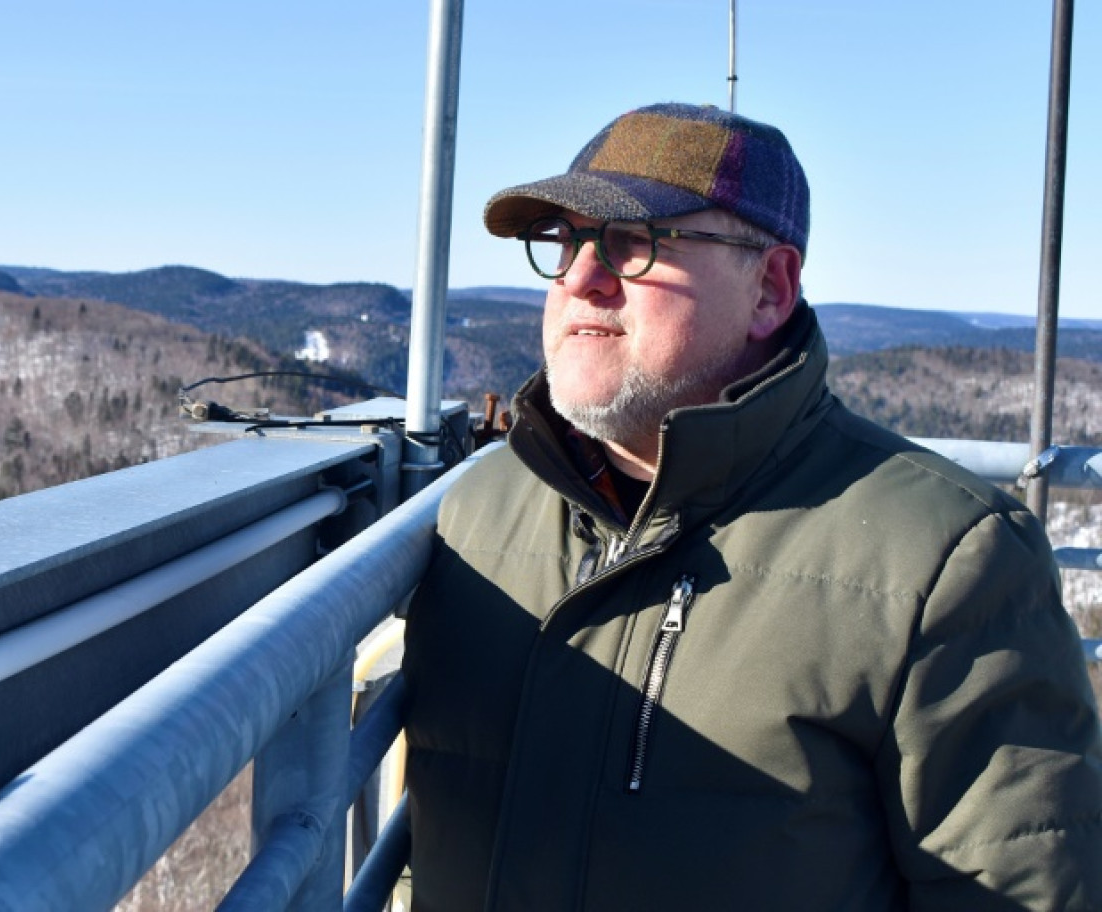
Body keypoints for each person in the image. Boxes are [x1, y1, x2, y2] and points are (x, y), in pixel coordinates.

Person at [400, 102, 1102, 911]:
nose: (581, 280)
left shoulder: (946, 560)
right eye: (564, 241)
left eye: (633, 243)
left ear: (769, 289)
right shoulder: (480, 513)